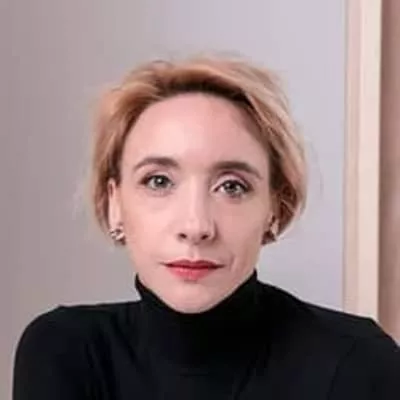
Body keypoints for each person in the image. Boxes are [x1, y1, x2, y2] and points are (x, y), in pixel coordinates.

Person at [13, 55, 400, 399]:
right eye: (159, 181)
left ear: (274, 209)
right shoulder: (67, 350)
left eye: (232, 187)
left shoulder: (358, 363)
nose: (196, 226)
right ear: (115, 203)